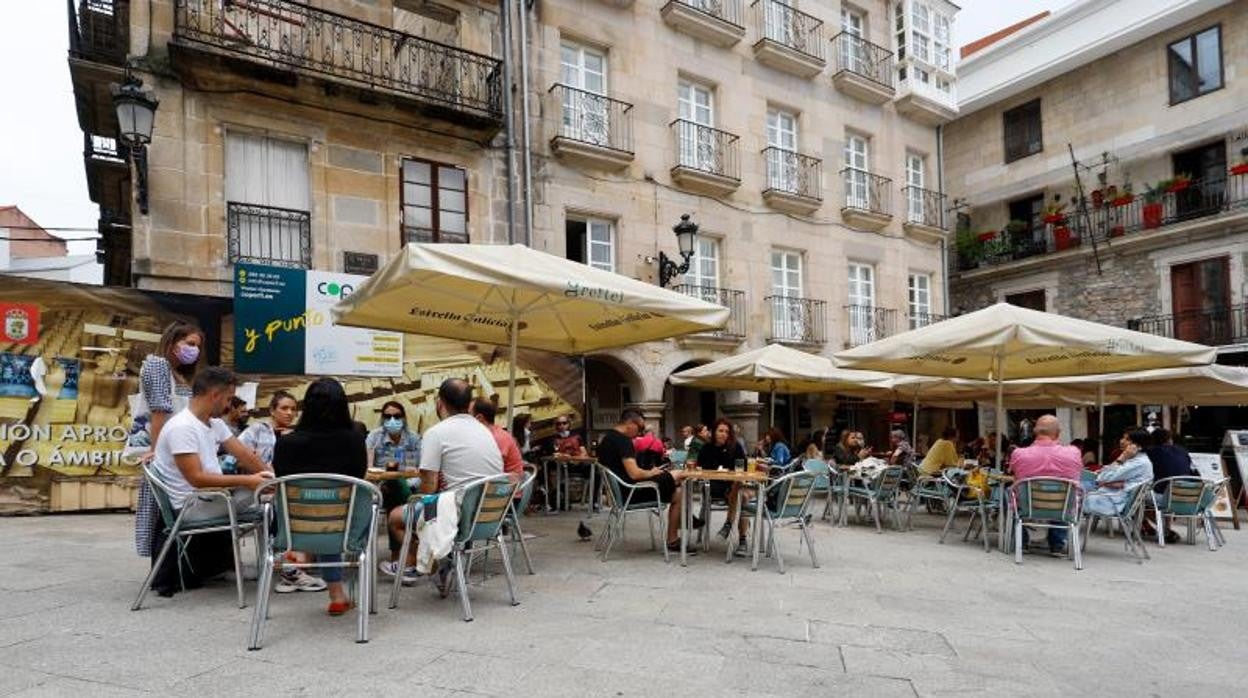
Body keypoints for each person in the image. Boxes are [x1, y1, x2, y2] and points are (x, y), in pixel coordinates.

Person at [150, 367, 271, 594]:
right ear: (214, 396)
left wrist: (270, 476)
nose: (229, 405)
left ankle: (271, 563)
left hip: (211, 498)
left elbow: (244, 455)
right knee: (264, 497)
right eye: (228, 399)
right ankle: (279, 565)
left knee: (268, 490)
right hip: (191, 506)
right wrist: (250, 481)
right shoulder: (182, 427)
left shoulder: (213, 422)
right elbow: (196, 479)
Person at [386, 379, 504, 575]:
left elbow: (428, 487)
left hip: (460, 515)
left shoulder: (436, 433)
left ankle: (421, 564)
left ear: (440, 403)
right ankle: (433, 560)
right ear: (469, 404)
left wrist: (414, 501)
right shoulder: (485, 431)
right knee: (426, 509)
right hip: (489, 516)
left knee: (396, 516)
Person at [271, 377, 367, 613]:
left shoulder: (286, 443)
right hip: (345, 527)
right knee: (344, 508)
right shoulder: (354, 438)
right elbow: (359, 475)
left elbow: (280, 482)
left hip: (295, 527)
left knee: (318, 511)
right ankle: (338, 594)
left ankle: (302, 553)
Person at [133, 321, 205, 560]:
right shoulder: (157, 365)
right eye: (190, 344)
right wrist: (156, 450)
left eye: (197, 346)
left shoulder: (179, 374)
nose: (194, 350)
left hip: (178, 449)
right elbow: (159, 412)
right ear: (173, 343)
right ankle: (165, 569)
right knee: (162, 513)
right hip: (164, 449)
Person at [598, 409, 699, 553]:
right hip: (631, 493)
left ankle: (684, 520)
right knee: (679, 476)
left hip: (620, 493)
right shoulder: (623, 441)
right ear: (630, 424)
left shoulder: (606, 439)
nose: (640, 434)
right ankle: (676, 534)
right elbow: (634, 474)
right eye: (640, 429)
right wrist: (651, 472)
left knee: (678, 489)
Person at [1007, 415, 1083, 554]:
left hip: (1028, 507)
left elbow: (1014, 476)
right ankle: (1057, 544)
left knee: (1009, 494)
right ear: (1058, 433)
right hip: (1063, 508)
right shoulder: (1074, 453)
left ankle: (1021, 542)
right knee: (1064, 498)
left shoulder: (1019, 454)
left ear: (1035, 432)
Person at [367, 401, 423, 577]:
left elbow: (421, 470)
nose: (392, 420)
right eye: (388, 416)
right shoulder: (374, 437)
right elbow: (368, 468)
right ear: (382, 418)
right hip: (381, 486)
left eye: (397, 416)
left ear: (404, 418)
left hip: (410, 485)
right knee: (393, 488)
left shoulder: (414, 438)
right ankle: (408, 554)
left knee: (398, 490)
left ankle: (399, 555)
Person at [1083, 428, 1154, 518]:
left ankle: (1066, 527)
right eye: (1123, 438)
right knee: (1081, 482)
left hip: (1110, 503)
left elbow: (1102, 477)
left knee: (1072, 493)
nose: (1121, 441)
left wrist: (1122, 457)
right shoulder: (1135, 459)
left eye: (1127, 440)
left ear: (1138, 446)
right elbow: (1104, 475)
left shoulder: (1138, 463)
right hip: (1110, 497)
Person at [1143, 428, 1196, 543]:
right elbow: (1194, 473)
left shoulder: (1151, 452)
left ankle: (1164, 530)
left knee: (1137, 496)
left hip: (1167, 497)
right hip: (1191, 497)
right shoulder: (1183, 451)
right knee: (1165, 491)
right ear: (1169, 439)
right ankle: (1166, 530)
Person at [471, 397, 524, 489]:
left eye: (467, 415)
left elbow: (487, 468)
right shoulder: (494, 433)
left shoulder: (496, 438)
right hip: (500, 488)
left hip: (507, 495)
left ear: (479, 418)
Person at [239, 390, 298, 466]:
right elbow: (237, 455)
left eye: (293, 409)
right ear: (272, 411)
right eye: (284, 408)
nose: (289, 413)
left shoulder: (294, 434)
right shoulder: (257, 430)